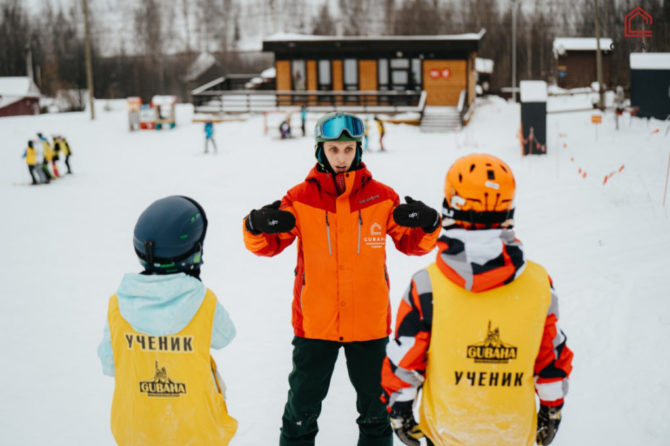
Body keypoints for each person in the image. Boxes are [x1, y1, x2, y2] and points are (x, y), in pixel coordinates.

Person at [243, 112, 441, 446]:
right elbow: (267, 246)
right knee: (300, 413)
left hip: (369, 325)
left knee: (376, 414)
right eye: (334, 150)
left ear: (359, 150)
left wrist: (429, 223)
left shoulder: (381, 197)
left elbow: (412, 244)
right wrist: (256, 226)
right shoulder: (300, 198)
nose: (341, 158)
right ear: (321, 150)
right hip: (315, 325)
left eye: (348, 150)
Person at [381, 153, 574, 446]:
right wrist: (552, 407)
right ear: (509, 210)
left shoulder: (427, 285)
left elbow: (405, 360)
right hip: (512, 433)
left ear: (451, 208)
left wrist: (400, 408)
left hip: (447, 433)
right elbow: (551, 355)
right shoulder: (538, 283)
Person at [97, 195, 238, 445]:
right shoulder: (204, 302)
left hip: (135, 431)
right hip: (197, 431)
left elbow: (110, 364)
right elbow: (226, 337)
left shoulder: (117, 305)